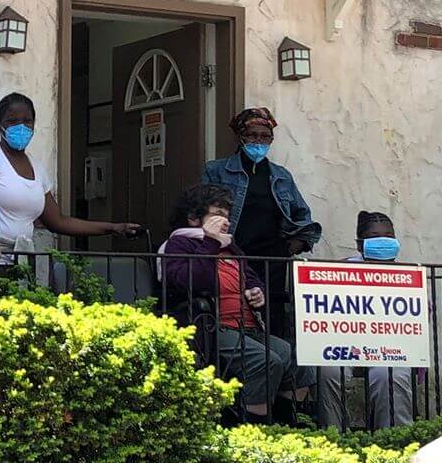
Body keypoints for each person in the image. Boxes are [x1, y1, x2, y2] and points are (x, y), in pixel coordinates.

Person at [162, 184, 306, 425]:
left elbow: (250, 277)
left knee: (295, 356)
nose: (225, 222)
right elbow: (193, 281)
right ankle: (254, 429)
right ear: (194, 218)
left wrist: (257, 291)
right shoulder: (179, 244)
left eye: (227, 217)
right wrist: (210, 241)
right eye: (217, 215)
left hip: (247, 327)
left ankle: (289, 424)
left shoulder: (231, 247)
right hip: (213, 328)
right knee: (265, 360)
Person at [0, 92, 140, 275]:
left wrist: (111, 228)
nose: (21, 127)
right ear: (0, 125)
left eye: (27, 121)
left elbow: (58, 221)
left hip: (22, 264)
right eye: (12, 121)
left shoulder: (37, 168)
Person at [202, 107, 321, 340]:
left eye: (265, 136)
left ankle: (274, 365)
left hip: (272, 259)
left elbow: (303, 217)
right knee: (232, 310)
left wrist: (291, 248)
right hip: (230, 253)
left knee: (272, 314)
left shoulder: (281, 176)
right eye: (252, 135)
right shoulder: (216, 170)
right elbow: (201, 210)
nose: (259, 141)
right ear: (240, 136)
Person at [318, 211, 414, 430]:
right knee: (329, 370)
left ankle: (394, 441)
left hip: (391, 348)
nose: (383, 240)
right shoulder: (340, 270)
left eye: (389, 236)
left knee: (389, 374)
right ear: (360, 245)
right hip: (345, 344)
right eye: (375, 236)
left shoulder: (408, 275)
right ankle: (333, 437)